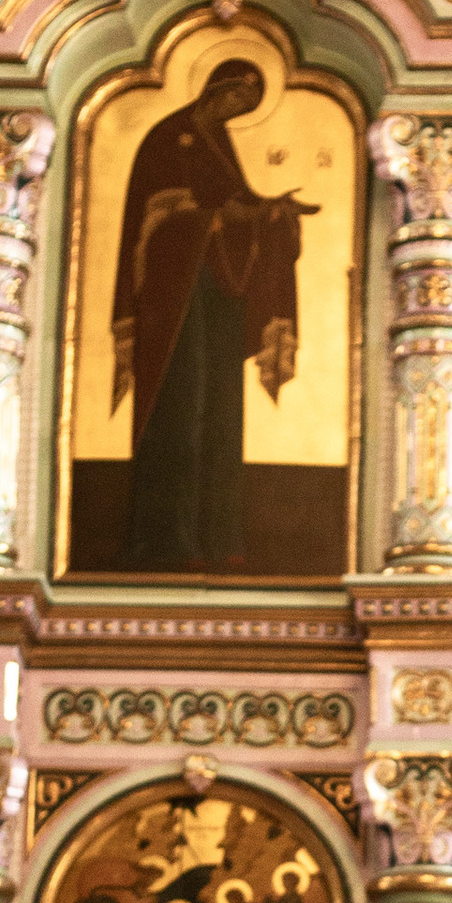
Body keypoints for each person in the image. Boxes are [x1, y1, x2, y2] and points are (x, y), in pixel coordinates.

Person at [110, 57, 315, 571]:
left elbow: (235, 206)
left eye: (247, 106)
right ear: (213, 88)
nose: (236, 110)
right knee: (180, 407)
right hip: (174, 302)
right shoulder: (167, 139)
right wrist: (222, 216)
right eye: (233, 98)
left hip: (219, 293)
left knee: (220, 410)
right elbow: (154, 221)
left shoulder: (216, 145)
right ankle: (164, 540)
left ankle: (216, 536)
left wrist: (273, 214)